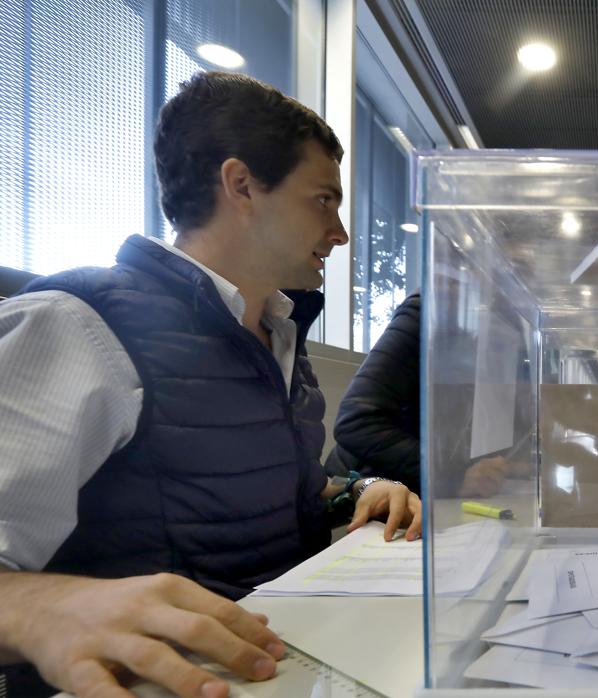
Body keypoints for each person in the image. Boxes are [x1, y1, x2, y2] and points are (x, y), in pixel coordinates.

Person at [0, 72, 421, 698]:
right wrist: (32, 609)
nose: (341, 232)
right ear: (242, 185)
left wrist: (361, 489)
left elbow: (258, 497)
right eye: (324, 200)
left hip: (273, 662)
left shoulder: (277, 337)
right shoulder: (78, 325)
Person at [327, 293, 520, 499]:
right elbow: (356, 422)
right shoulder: (425, 312)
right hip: (362, 495)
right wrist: (452, 476)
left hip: (419, 497)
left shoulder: (503, 328)